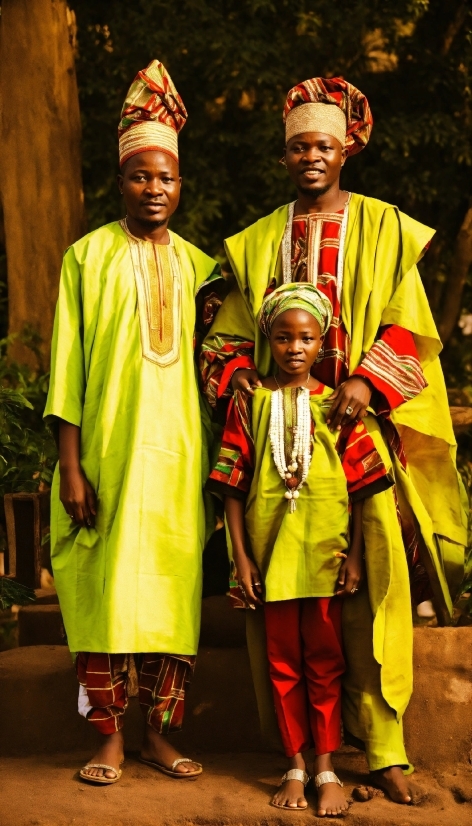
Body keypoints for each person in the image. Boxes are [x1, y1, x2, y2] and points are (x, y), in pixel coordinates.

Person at [201, 76, 466, 803]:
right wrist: (240, 383)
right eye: (297, 147)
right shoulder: (257, 241)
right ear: (284, 155)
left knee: (375, 584)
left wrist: (367, 383)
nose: (310, 157)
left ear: (348, 145)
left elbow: (413, 331)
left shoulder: (383, 225)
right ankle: (302, 756)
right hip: (279, 441)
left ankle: (384, 748)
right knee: (287, 599)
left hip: (361, 438)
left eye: (323, 144)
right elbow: (222, 339)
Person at [44, 60, 223, 785]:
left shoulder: (204, 270)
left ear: (182, 185)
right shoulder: (85, 258)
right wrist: (70, 464)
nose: (155, 189)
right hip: (109, 460)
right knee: (108, 595)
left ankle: (158, 734)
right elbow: (67, 372)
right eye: (141, 176)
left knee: (170, 601)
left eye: (167, 178)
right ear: (120, 180)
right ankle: (109, 738)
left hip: (180, 465)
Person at [208, 283, 398, 816]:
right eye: (284, 337)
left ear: (323, 343)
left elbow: (361, 490)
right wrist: (241, 558)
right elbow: (231, 488)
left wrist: (356, 556)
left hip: (325, 559)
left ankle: (327, 766)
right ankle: (294, 763)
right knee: (282, 662)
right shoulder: (248, 404)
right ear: (267, 338)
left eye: (307, 337)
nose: (295, 347)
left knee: (325, 662)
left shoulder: (337, 405)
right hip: (269, 561)